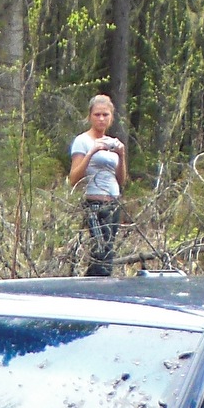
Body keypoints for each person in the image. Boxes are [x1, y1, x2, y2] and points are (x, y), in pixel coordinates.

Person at [69, 95, 128, 277]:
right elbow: (73, 177)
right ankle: (93, 289)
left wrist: (121, 154)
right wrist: (92, 152)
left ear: (111, 117)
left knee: (107, 252)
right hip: (94, 203)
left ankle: (97, 288)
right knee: (101, 252)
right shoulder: (83, 141)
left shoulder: (112, 142)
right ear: (90, 117)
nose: (101, 118)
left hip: (113, 204)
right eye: (97, 115)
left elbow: (121, 180)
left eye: (105, 115)